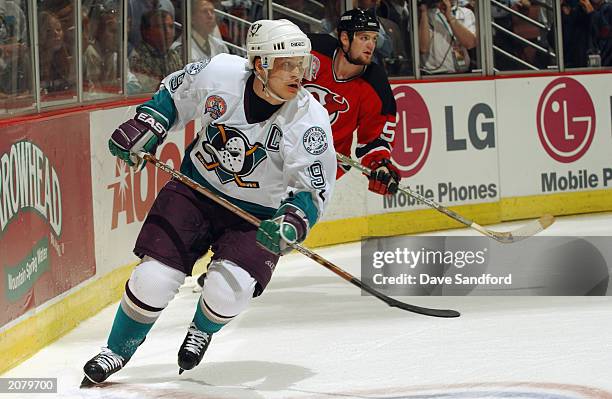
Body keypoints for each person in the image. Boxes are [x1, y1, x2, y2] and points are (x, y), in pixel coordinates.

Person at [80, 19, 336, 386]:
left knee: (227, 294)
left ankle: (202, 328)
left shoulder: (309, 120)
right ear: (260, 64)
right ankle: (117, 350)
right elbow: (174, 95)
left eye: (303, 64)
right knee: (153, 279)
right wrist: (148, 125)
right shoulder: (220, 73)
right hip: (195, 191)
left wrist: (291, 221)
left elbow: (312, 191)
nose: (299, 74)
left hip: (256, 215)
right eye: (287, 65)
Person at [195, 10, 402, 293]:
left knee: (284, 211)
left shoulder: (376, 84)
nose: (370, 45)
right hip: (274, 139)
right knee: (250, 195)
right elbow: (265, 67)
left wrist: (380, 165)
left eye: (374, 39)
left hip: (319, 158)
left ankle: (243, 266)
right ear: (344, 38)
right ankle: (230, 260)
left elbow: (375, 138)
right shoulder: (311, 48)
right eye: (364, 37)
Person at [128, 8, 182, 92]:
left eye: (171, 26)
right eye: (161, 26)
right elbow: (152, 90)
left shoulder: (173, 54)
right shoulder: (137, 58)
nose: (168, 31)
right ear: (146, 32)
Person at [418, 0, 477, 74]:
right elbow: (423, 48)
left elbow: (470, 43)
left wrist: (449, 17)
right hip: (433, 74)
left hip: (461, 72)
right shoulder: (428, 14)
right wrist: (424, 12)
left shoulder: (465, 13)